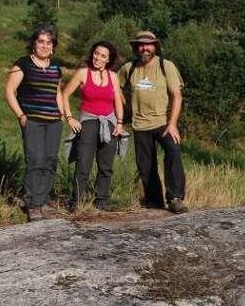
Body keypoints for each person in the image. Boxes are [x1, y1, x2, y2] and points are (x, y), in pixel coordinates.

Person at [117, 30, 188, 214]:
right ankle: (154, 201)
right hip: (139, 125)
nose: (144, 48)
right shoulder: (128, 68)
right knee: (145, 165)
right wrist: (124, 108)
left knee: (173, 153)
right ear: (135, 48)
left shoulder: (166, 66)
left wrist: (172, 124)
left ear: (155, 46)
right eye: (140, 45)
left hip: (163, 123)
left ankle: (174, 198)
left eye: (148, 44)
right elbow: (114, 87)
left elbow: (177, 96)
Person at [4, 24, 65, 222]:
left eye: (49, 42)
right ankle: (33, 204)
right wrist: (21, 116)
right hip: (33, 122)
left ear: (53, 46)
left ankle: (43, 198)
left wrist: (62, 114)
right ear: (34, 44)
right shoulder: (23, 64)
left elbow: (57, 92)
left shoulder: (56, 66)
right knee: (35, 160)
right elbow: (9, 91)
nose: (45, 45)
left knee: (50, 160)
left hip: (54, 122)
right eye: (41, 41)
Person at [62, 41, 126, 212]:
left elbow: (117, 101)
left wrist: (120, 123)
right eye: (96, 53)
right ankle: (77, 202)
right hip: (88, 122)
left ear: (108, 59)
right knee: (83, 164)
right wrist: (69, 118)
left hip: (109, 123)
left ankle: (102, 200)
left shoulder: (113, 76)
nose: (98, 57)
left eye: (103, 56)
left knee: (106, 166)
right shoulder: (83, 73)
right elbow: (64, 94)